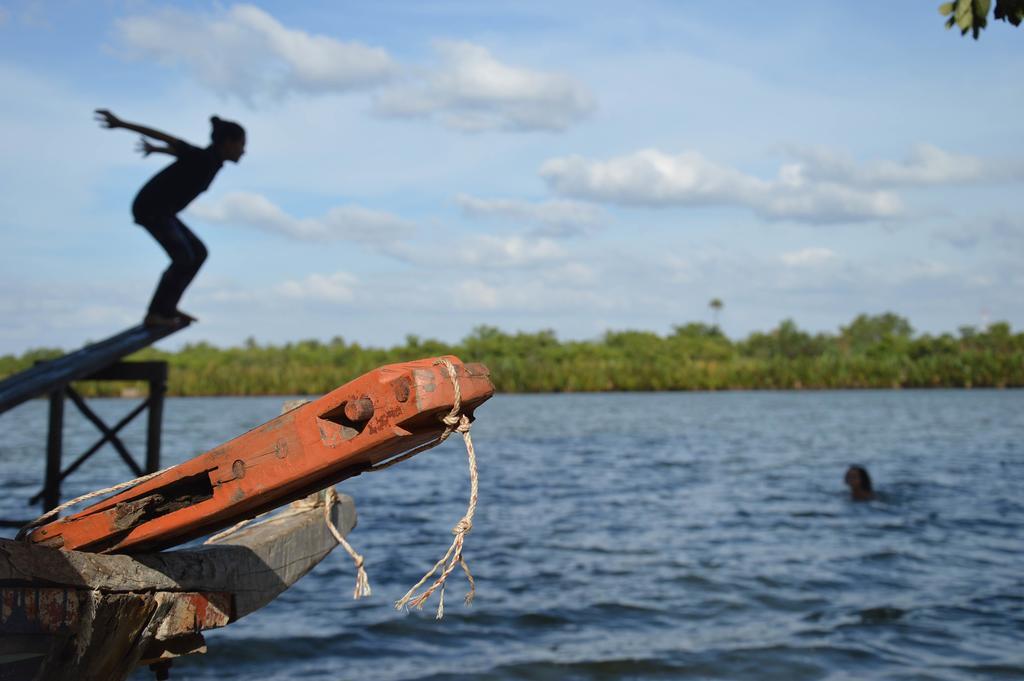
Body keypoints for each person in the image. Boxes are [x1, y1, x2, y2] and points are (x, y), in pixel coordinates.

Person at [95, 109, 246, 326]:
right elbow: (164, 136)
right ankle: (155, 314)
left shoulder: (209, 160)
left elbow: (176, 152)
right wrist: (122, 124)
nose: (244, 150)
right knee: (183, 257)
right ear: (228, 143)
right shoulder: (203, 157)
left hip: (163, 210)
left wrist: (156, 150)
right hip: (151, 207)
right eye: (241, 144)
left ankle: (167, 308)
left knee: (199, 253)